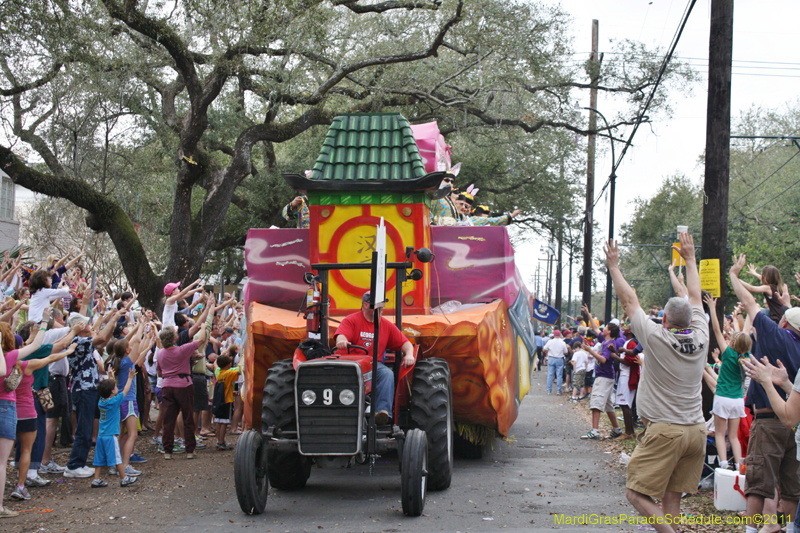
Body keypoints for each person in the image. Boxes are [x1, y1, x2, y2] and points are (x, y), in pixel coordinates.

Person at [607, 233, 708, 533]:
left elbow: (629, 300)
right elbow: (695, 296)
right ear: (690, 319)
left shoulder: (655, 337)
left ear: (664, 319)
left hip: (666, 430)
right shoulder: (701, 334)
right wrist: (690, 260)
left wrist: (614, 266)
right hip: (696, 431)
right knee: (671, 498)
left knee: (635, 493)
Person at [729, 253, 800, 533]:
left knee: (758, 483)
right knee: (791, 485)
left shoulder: (774, 333)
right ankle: (788, 528)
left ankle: (751, 530)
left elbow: (749, 301)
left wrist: (735, 275)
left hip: (769, 419)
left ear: (784, 323)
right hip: (795, 425)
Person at [334, 292, 414, 425]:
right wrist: (341, 341)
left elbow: (405, 343)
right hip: (348, 363)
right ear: (365, 305)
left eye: (381, 306)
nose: (380, 309)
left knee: (386, 373)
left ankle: (381, 412)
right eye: (376, 306)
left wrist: (409, 354)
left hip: (371, 366)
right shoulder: (351, 320)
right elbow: (341, 335)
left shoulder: (386, 325)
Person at [64, 308, 121, 478]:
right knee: (84, 427)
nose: (90, 325)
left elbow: (100, 336)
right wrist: (114, 317)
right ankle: (74, 465)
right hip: (83, 389)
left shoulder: (82, 340)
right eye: (86, 323)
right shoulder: (78, 341)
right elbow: (101, 337)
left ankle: (78, 461)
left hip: (88, 388)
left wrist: (110, 319)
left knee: (86, 426)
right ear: (79, 326)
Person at [157, 295, 213, 460]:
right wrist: (203, 326)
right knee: (188, 417)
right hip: (183, 384)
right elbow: (201, 339)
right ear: (174, 338)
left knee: (168, 419)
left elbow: (159, 372)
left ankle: (167, 451)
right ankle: (190, 450)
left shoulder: (160, 353)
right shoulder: (182, 350)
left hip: (167, 385)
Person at [703, 293, 748, 471]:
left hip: (722, 398)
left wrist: (713, 309)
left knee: (720, 434)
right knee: (734, 436)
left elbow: (716, 329)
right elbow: (747, 330)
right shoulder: (746, 357)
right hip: (737, 400)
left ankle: (722, 465)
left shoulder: (728, 353)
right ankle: (739, 466)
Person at [92, 367, 138, 488]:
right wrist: (130, 378)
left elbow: (108, 390)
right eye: (115, 387)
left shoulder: (101, 401)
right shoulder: (114, 402)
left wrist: (110, 376)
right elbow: (125, 391)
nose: (117, 388)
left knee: (99, 458)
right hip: (110, 435)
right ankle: (124, 478)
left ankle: (96, 479)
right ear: (112, 391)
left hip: (101, 435)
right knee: (117, 458)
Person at [580, 322, 623, 440]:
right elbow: (595, 328)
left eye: (605, 328)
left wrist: (590, 351)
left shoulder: (609, 343)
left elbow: (603, 359)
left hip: (604, 376)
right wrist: (588, 314)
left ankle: (595, 431)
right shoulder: (606, 342)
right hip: (606, 376)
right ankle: (616, 429)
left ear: (609, 332)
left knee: (596, 403)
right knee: (608, 405)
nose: (602, 329)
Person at [212, 352, 239, 450]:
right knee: (224, 422)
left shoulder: (219, 373)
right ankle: (221, 442)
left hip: (218, 400)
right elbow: (239, 371)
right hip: (226, 400)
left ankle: (219, 441)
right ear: (228, 365)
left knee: (218, 422)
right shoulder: (228, 373)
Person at [542, 330, 569, 395]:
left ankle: (549, 390)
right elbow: (566, 352)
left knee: (550, 374)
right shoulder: (562, 342)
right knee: (559, 375)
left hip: (551, 358)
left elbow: (544, 349)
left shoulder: (550, 341)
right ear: (559, 335)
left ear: (554, 335)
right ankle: (558, 390)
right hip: (559, 358)